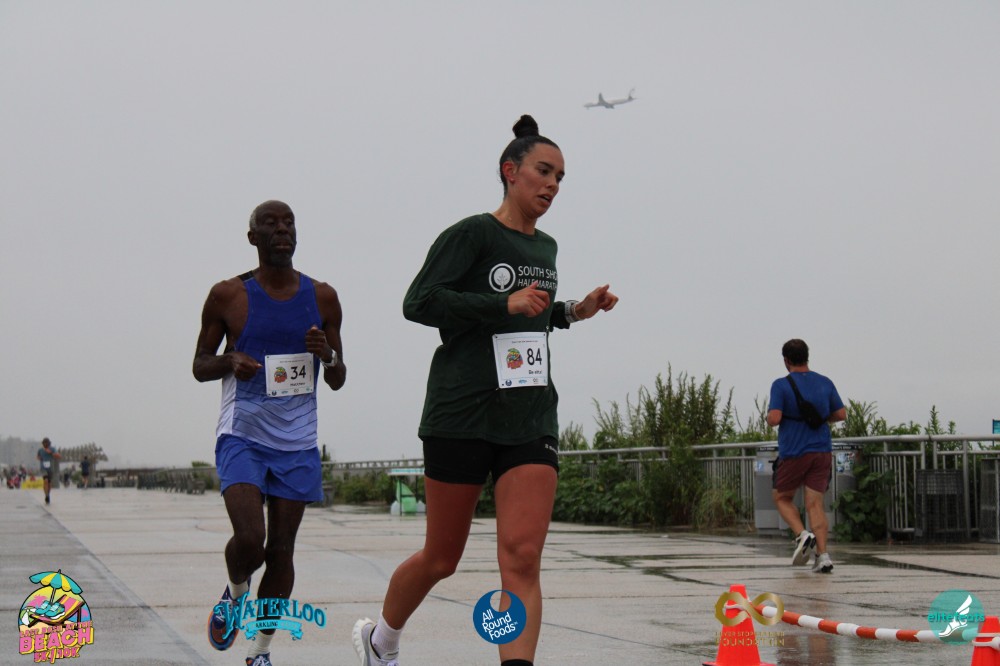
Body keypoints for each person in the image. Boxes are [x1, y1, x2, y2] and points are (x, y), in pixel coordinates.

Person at [353, 115, 618, 666]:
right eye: (543, 171)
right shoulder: (471, 234)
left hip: (529, 415)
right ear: (510, 171)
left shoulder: (547, 247)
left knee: (521, 559)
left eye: (561, 177)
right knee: (441, 558)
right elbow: (419, 302)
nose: (553, 185)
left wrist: (575, 310)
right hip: (462, 414)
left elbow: (533, 316)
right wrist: (502, 303)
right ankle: (381, 641)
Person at [192, 200, 347, 666]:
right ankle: (235, 593)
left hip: (297, 443)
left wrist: (327, 355)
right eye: (271, 224)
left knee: (281, 551)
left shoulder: (323, 298)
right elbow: (199, 365)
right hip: (242, 435)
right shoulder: (228, 296)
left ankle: (259, 651)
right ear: (253, 237)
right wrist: (229, 360)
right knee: (250, 540)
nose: (282, 230)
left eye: (289, 223)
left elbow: (338, 377)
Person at [766, 339, 846, 574]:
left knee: (781, 497)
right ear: (807, 356)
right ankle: (823, 556)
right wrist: (819, 418)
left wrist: (769, 417)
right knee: (815, 503)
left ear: (786, 360)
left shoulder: (781, 385)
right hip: (822, 450)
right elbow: (841, 414)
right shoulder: (825, 382)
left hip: (794, 451)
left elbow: (775, 418)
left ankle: (802, 535)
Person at [36, 438, 60, 505]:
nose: (45, 444)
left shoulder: (53, 449)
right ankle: (46, 495)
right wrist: (39, 458)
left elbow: (59, 456)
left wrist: (51, 453)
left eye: (47, 443)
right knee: (45, 480)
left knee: (49, 483)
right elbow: (37, 456)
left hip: (50, 468)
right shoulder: (40, 450)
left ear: (49, 443)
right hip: (43, 468)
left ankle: (48, 494)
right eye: (44, 443)